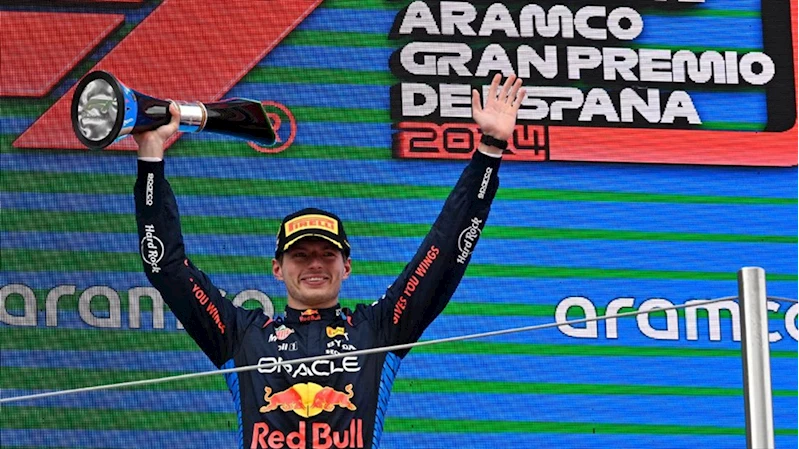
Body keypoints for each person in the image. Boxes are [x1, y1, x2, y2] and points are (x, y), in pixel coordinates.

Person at [133, 74, 526, 449]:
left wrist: (490, 148)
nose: (315, 264)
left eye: (327, 254)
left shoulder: (378, 330)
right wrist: (151, 156)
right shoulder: (242, 336)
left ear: (346, 267)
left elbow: (443, 253)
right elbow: (165, 266)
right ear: (277, 269)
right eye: (300, 255)